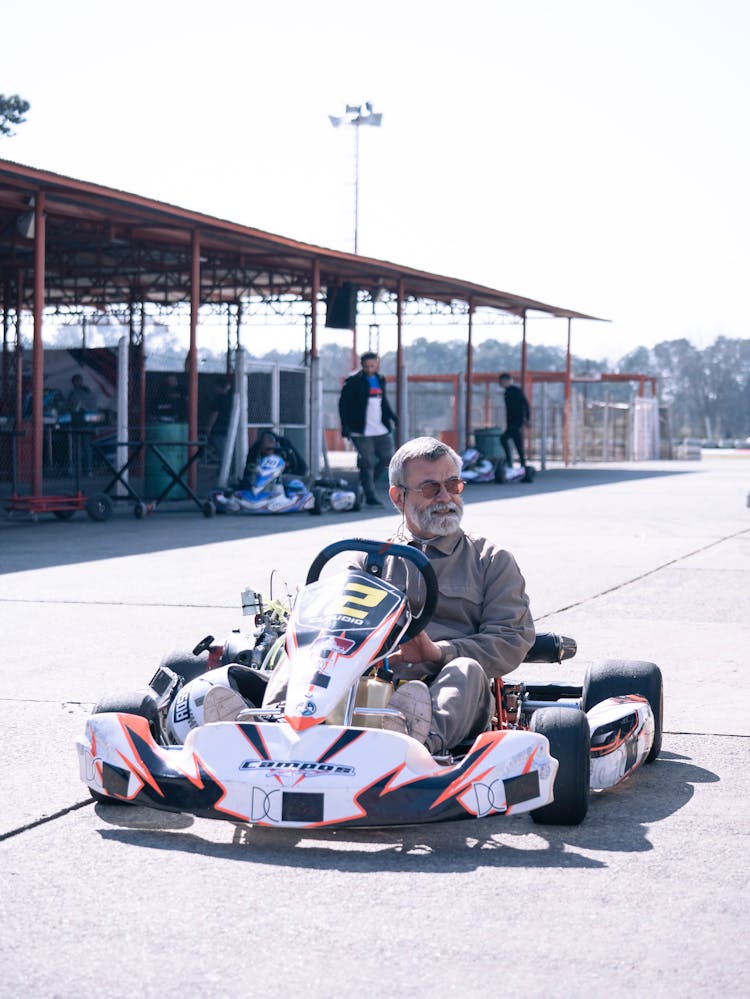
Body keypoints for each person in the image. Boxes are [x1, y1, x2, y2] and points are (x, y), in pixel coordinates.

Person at [198, 435, 535, 755]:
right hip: (370, 682)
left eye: (453, 485)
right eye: (431, 487)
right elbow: (333, 626)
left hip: (447, 690)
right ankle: (275, 729)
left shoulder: (490, 559)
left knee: (466, 670)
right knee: (301, 650)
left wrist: (437, 653)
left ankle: (416, 744)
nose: (446, 497)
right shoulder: (369, 560)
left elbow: (511, 639)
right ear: (398, 497)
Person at [338, 351, 398, 507]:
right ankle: (370, 496)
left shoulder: (380, 379)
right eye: (366, 366)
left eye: (372, 365)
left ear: (377, 364)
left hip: (380, 428)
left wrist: (392, 416)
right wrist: (345, 426)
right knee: (367, 463)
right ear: (362, 365)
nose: (370, 368)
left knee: (388, 458)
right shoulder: (353, 381)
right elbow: (343, 405)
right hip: (361, 430)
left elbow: (383, 402)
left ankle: (366, 484)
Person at [67, 373, 98, 476]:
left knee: (79, 447)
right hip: (84, 423)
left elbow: (72, 408)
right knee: (84, 447)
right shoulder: (88, 393)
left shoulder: (76, 394)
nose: (75, 383)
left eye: (76, 381)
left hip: (80, 423)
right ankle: (87, 470)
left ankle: (80, 470)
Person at [498, 371, 530, 469]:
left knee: (504, 439)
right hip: (511, 421)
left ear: (507, 381)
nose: (501, 383)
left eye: (502, 381)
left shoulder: (516, 390)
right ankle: (522, 464)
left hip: (517, 421)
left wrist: (527, 419)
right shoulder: (506, 392)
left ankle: (510, 461)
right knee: (517, 442)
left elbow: (526, 404)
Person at [204, 377, 234, 463]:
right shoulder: (231, 398)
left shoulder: (218, 399)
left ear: (218, 387)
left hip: (218, 430)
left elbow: (215, 414)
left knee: (223, 454)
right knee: (226, 451)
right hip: (228, 428)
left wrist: (209, 427)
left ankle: (223, 472)